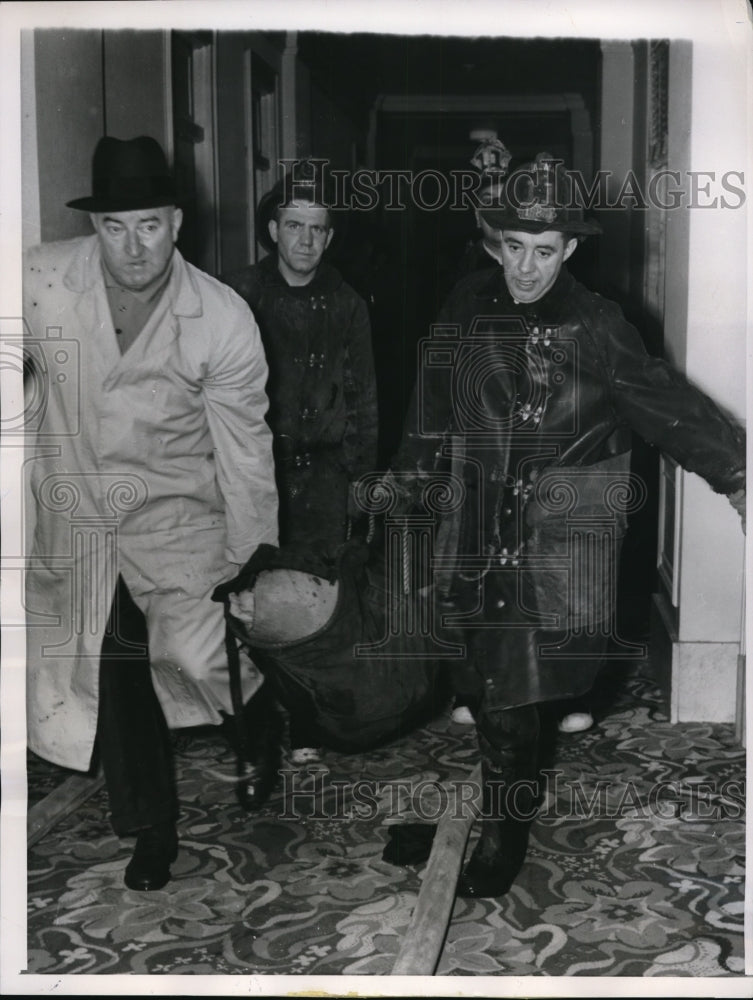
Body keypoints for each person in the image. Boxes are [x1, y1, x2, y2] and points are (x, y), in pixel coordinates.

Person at [391, 152, 746, 898]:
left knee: (517, 692)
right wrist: (408, 486)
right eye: (512, 247)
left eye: (544, 251)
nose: (525, 267)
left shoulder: (598, 326)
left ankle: (501, 843)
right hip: (474, 524)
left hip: (553, 535)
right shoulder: (464, 303)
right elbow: (429, 406)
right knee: (479, 681)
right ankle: (491, 814)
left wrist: (736, 475)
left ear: (571, 249)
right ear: (494, 242)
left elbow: (662, 403)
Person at [24, 135, 279, 892]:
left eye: (150, 225)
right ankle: (151, 830)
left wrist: (252, 557)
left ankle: (259, 721)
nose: (133, 247)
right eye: (114, 226)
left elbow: (243, 447)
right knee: (116, 675)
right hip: (77, 517)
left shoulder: (222, 316)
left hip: (178, 518)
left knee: (203, 659)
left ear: (176, 222)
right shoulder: (37, 280)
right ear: (93, 227)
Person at [222, 163, 379, 766]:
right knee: (254, 592)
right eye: (294, 226)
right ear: (272, 229)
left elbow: (365, 397)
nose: (306, 241)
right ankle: (258, 720)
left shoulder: (347, 305)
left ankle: (310, 722)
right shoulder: (237, 295)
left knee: (315, 598)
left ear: (330, 236)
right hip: (255, 471)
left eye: (317, 229)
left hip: (323, 478)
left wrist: (362, 482)